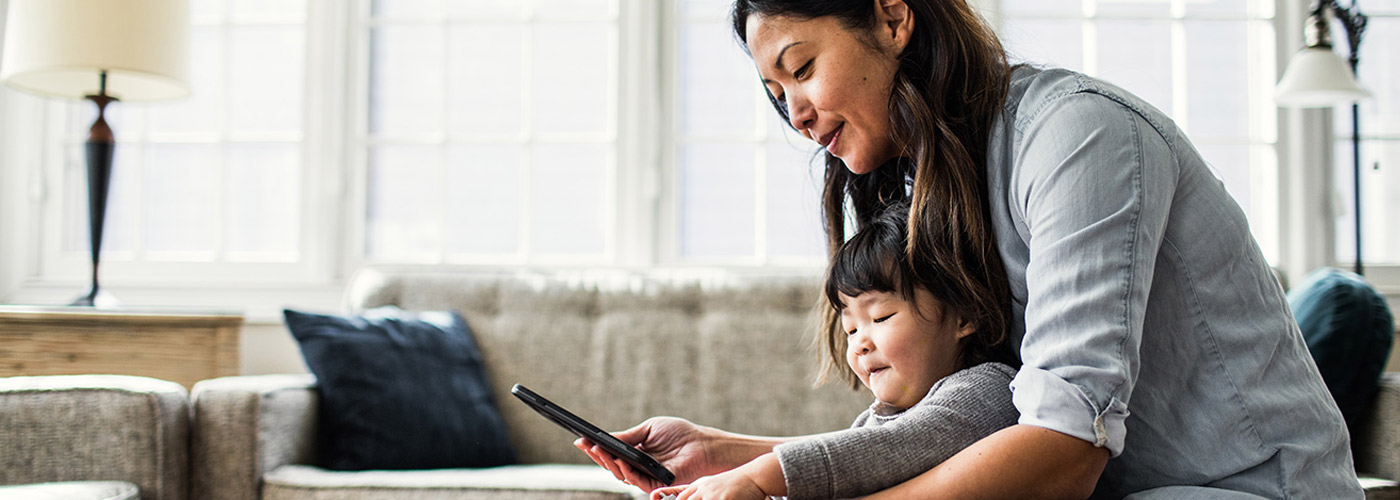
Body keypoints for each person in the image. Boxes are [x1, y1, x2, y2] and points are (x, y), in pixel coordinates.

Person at [579, 0, 1362, 498]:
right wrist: (726, 455)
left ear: (891, 17)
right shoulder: (931, 185)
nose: (797, 117)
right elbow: (952, 432)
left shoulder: (1075, 136)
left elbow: (1064, 447)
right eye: (776, 95)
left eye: (802, 70)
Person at [648, 201, 1019, 500]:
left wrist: (758, 476)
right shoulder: (880, 419)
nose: (859, 342)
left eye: (882, 316)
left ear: (964, 316)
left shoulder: (989, 390)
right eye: (851, 328)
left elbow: (889, 449)